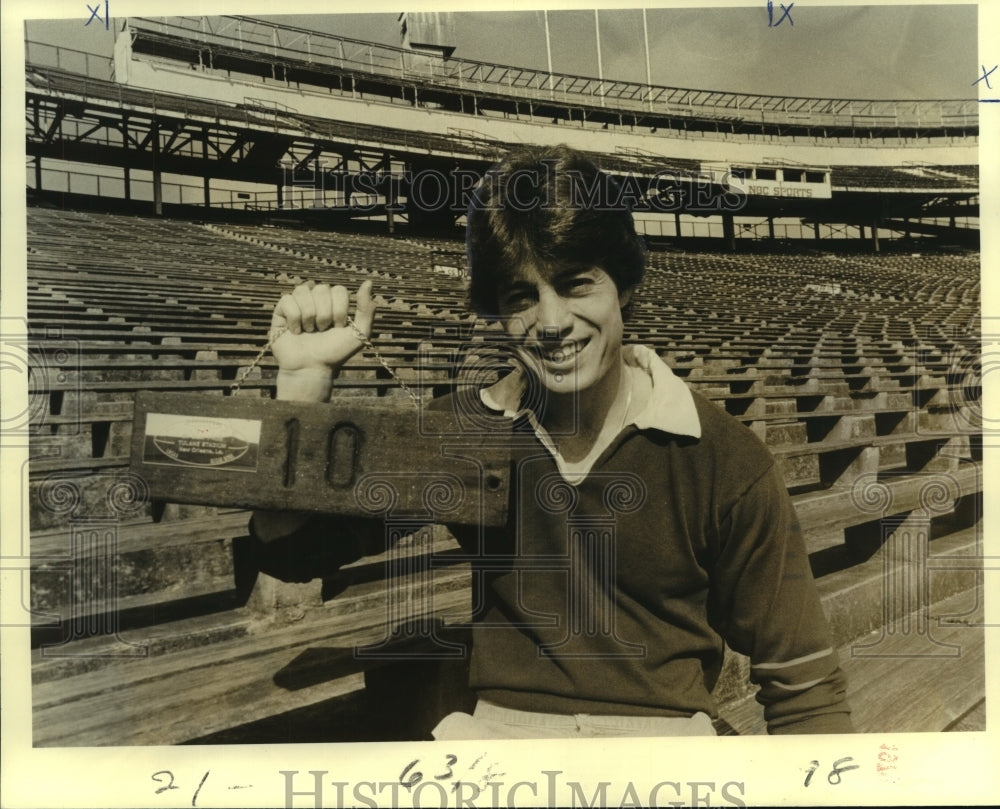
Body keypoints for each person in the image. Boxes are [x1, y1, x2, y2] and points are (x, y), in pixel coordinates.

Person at [251, 144, 853, 738]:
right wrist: (302, 388)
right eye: (521, 296)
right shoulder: (468, 429)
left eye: (575, 285)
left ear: (625, 287)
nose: (552, 322)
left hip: (666, 752)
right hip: (504, 752)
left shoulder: (722, 455)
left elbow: (803, 685)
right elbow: (293, 551)